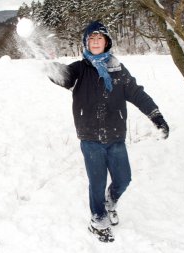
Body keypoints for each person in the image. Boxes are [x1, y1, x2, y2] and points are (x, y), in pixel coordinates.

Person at [47, 21, 169, 243]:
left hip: (115, 135)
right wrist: (49, 65)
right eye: (91, 39)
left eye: (99, 39)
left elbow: (137, 93)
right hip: (90, 137)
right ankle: (98, 220)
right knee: (97, 182)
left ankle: (109, 203)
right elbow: (63, 77)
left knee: (124, 179)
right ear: (86, 42)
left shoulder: (118, 69)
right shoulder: (79, 69)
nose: (95, 42)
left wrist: (156, 116)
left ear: (106, 42)